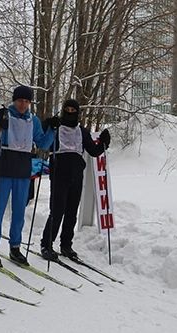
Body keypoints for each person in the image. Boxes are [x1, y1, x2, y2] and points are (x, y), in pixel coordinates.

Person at [0, 85, 54, 267]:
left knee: (19, 211)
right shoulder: (4, 114)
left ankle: (15, 246)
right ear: (15, 100)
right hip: (4, 165)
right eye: (21, 100)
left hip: (22, 167)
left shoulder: (33, 120)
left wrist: (53, 129)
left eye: (27, 101)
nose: (23, 104)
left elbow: (43, 143)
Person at [40, 99, 110, 260]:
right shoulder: (57, 128)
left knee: (71, 212)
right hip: (59, 173)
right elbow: (42, 137)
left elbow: (93, 151)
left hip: (76, 174)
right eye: (67, 109)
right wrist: (48, 123)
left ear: (77, 113)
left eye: (73, 110)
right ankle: (46, 243)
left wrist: (104, 143)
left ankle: (66, 245)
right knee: (57, 211)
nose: (70, 113)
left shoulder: (83, 132)